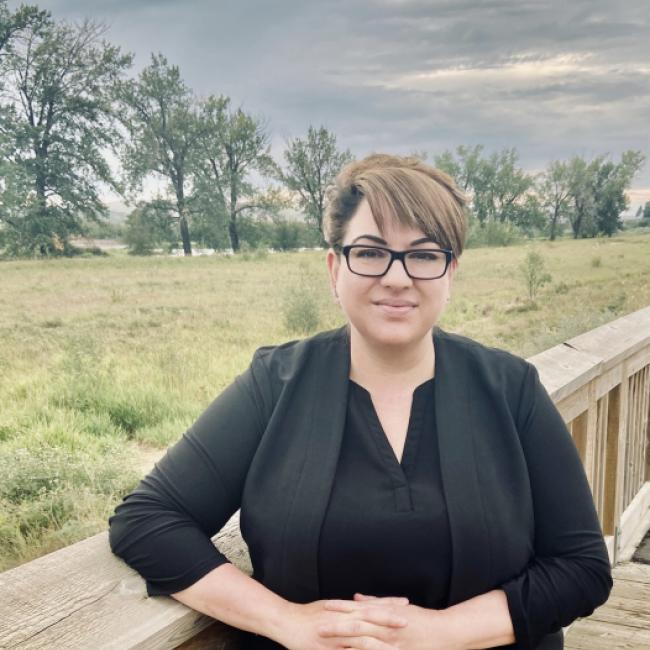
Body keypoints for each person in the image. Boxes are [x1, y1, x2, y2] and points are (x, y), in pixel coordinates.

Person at [108, 154, 613, 650]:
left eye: (423, 254)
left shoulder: (511, 389)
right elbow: (149, 519)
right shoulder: (275, 385)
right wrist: (285, 621)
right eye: (370, 252)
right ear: (335, 269)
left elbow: (580, 567)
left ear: (450, 272)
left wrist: (438, 633)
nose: (397, 277)